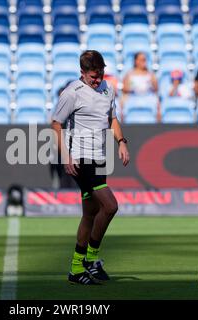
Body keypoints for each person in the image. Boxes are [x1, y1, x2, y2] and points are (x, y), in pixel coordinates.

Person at [51, 50, 130, 285]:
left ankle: (81, 266)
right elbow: (56, 124)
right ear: (82, 73)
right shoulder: (72, 93)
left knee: (90, 213)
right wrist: (66, 156)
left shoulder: (108, 89)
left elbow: (112, 118)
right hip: (81, 158)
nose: (97, 80)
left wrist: (121, 142)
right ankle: (87, 261)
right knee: (110, 206)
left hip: (99, 157)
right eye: (93, 76)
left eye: (100, 75)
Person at [121, 52, 159, 121]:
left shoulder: (150, 74)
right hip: (133, 97)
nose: (144, 62)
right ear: (136, 61)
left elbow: (156, 88)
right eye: (142, 60)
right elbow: (124, 89)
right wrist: (134, 88)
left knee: (157, 102)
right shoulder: (129, 74)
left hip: (148, 97)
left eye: (145, 60)